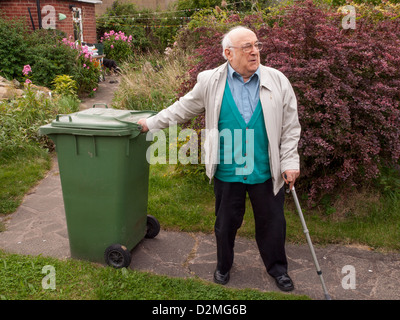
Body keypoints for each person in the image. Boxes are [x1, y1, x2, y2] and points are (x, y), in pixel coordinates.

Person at [138, 26, 301, 292]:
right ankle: (223, 266)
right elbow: (182, 108)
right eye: (246, 46)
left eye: (256, 45)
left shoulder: (277, 80)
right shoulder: (210, 81)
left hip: (265, 169)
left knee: (272, 224)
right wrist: (151, 123)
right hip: (227, 167)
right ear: (228, 53)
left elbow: (290, 127)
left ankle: (278, 270)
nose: (254, 51)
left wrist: (290, 162)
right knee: (225, 225)